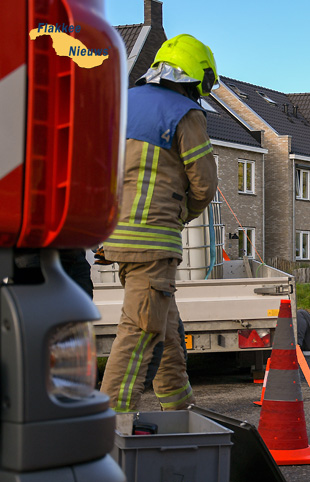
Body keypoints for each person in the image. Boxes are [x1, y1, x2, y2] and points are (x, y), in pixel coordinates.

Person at [100, 34, 219, 413]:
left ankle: (182, 413)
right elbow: (204, 185)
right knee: (138, 332)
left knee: (164, 330)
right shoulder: (185, 113)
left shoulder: (119, 103)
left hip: (113, 235)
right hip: (153, 241)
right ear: (196, 79)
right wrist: (180, 216)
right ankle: (108, 425)